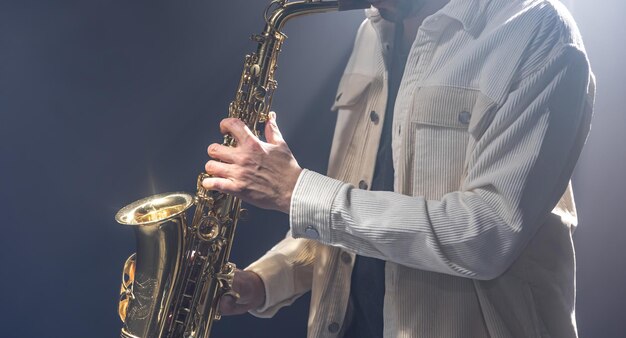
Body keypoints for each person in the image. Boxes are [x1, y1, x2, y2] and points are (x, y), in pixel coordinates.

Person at [202, 0, 595, 336]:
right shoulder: (372, 33)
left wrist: (296, 191)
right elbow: (357, 208)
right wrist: (262, 281)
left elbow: (487, 235)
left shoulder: (538, 30)